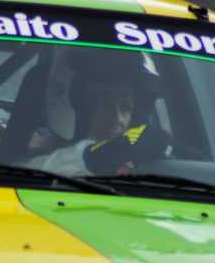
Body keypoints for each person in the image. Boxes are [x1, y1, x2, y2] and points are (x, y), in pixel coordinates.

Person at [24, 51, 167, 175]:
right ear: (82, 107)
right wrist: (94, 157)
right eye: (105, 105)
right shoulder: (47, 163)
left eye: (126, 107)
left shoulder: (145, 159)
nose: (117, 118)